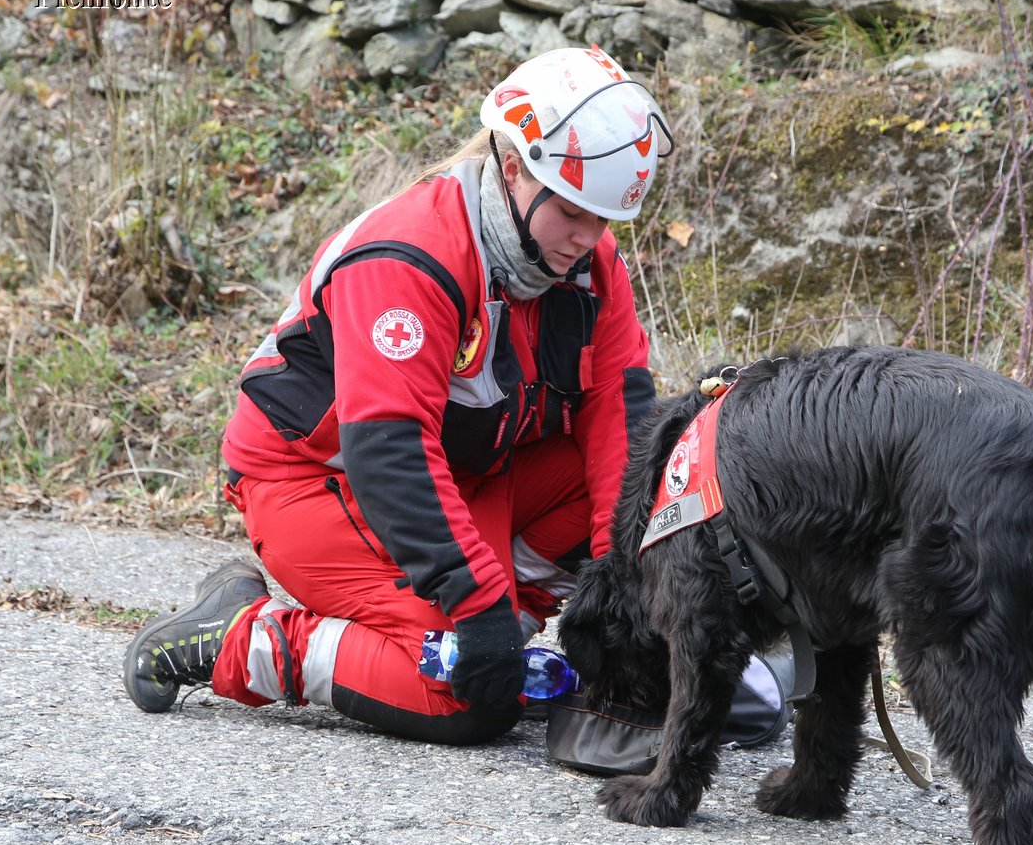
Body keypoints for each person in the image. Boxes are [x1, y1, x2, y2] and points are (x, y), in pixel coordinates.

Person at [122, 46, 672, 743]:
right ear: (514, 171)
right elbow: (390, 452)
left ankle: (504, 631)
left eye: (603, 219)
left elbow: (619, 429)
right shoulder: (411, 255)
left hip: (459, 474)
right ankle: (242, 639)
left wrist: (629, 596)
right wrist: (475, 609)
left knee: (632, 490)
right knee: (462, 697)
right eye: (572, 213)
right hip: (316, 482)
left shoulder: (591, 265)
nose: (589, 240)